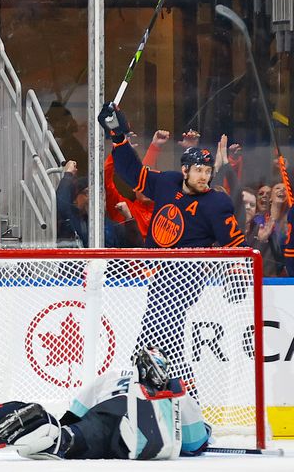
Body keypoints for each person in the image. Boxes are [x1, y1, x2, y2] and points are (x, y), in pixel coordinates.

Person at [98, 103, 246, 392]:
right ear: (185, 170)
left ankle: (163, 383)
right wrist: (118, 135)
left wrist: (238, 274)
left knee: (159, 327)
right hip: (163, 269)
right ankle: (176, 387)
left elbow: (235, 242)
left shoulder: (216, 202)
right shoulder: (167, 182)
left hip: (189, 271)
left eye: (207, 170)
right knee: (159, 331)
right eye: (198, 171)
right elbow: (132, 174)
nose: (204, 176)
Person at [0, 346, 210, 460]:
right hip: (137, 429)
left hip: (108, 411)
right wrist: (207, 434)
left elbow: (77, 410)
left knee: (72, 437)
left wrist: (65, 426)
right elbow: (194, 444)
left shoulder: (114, 375)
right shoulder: (176, 392)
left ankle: (41, 424)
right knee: (73, 441)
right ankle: (52, 434)